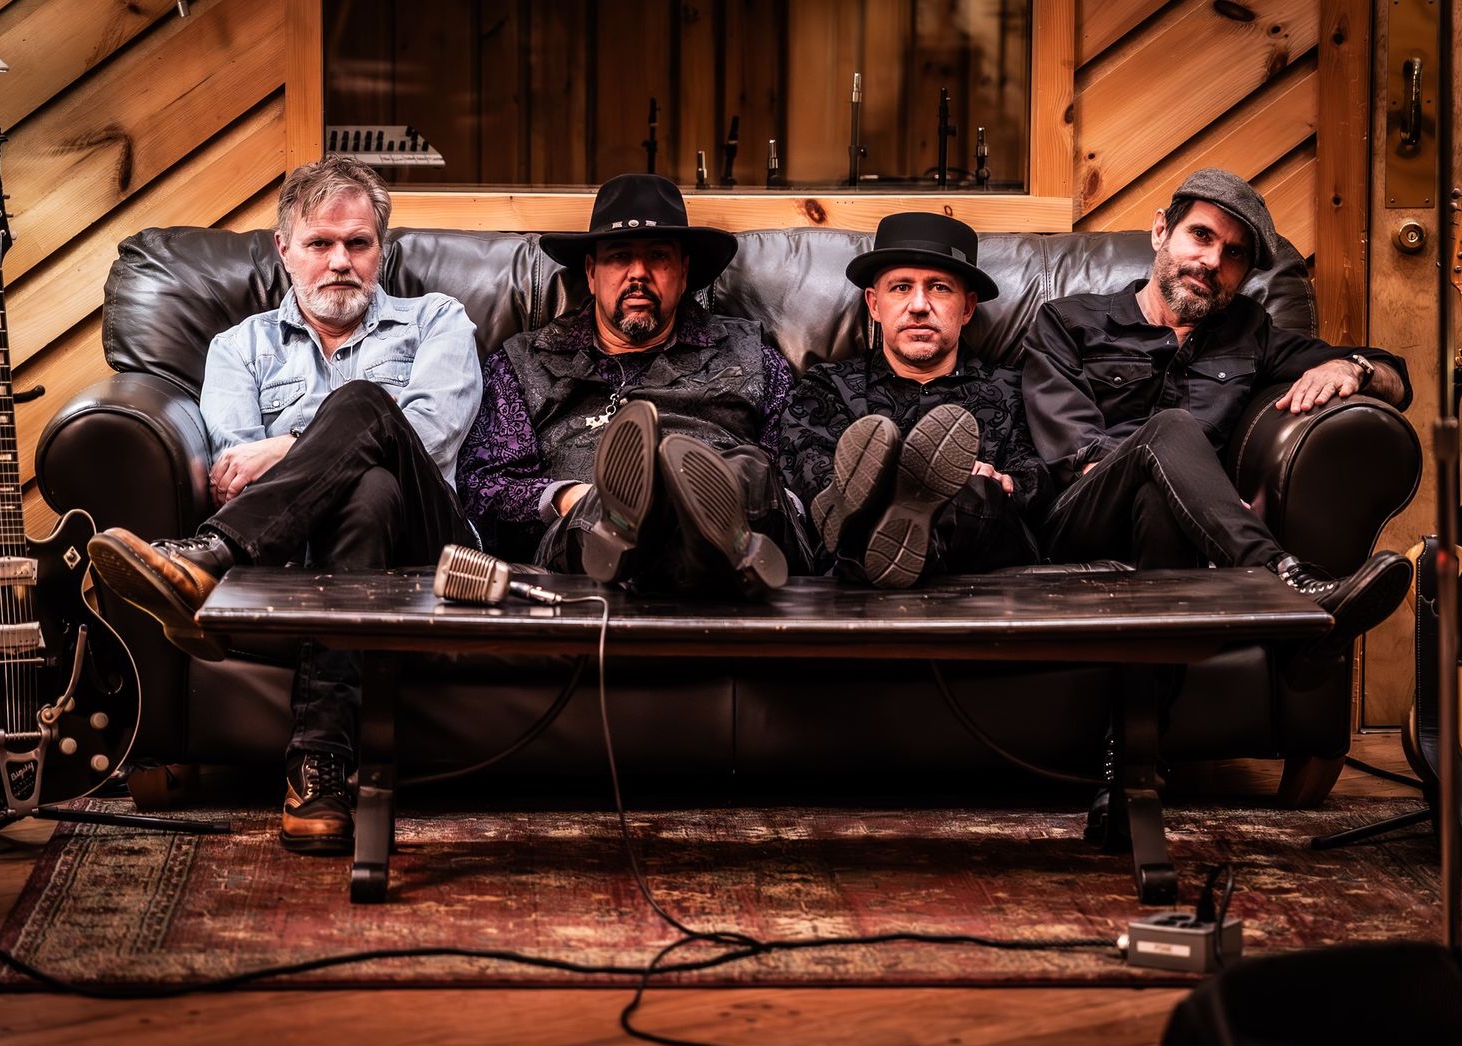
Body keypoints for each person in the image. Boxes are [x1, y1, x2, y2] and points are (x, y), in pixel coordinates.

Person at [86, 157, 482, 855]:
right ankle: (317, 770)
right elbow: (236, 473)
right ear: (284, 249)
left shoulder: (436, 321)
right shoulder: (239, 348)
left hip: (433, 551)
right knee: (367, 491)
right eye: (320, 243)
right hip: (304, 555)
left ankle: (211, 556)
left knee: (366, 404)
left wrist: (289, 444)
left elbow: (429, 431)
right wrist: (301, 458)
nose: (340, 262)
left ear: (381, 250)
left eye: (358, 243)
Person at [1022, 167, 1413, 655]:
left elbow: (1395, 378)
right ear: (1161, 230)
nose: (1212, 262)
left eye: (1234, 254)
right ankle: (1283, 579)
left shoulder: (1249, 332)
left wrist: (1352, 368)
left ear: (1245, 275)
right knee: (1170, 429)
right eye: (1201, 236)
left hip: (1177, 523)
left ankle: (1152, 695)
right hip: (1079, 513)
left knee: (1159, 502)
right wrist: (1211, 498)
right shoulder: (1068, 321)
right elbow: (1076, 455)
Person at [457, 173, 809, 597]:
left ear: (683, 272)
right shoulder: (524, 361)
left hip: (737, 515)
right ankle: (650, 523)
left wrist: (744, 490)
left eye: (658, 256)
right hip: (593, 542)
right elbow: (484, 487)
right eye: (621, 256)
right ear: (592, 273)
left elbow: (796, 476)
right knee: (603, 511)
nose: (638, 273)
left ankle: (707, 512)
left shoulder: (752, 356)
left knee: (749, 470)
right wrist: (572, 497)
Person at [779, 212, 1048, 588]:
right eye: (901, 287)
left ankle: (898, 539)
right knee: (852, 500)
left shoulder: (1013, 388)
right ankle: (892, 536)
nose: (919, 305)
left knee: (977, 491)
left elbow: (1036, 481)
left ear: (967, 308)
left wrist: (998, 481)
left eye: (939, 288)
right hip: (850, 552)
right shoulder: (827, 386)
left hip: (976, 551)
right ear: (874, 304)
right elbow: (810, 473)